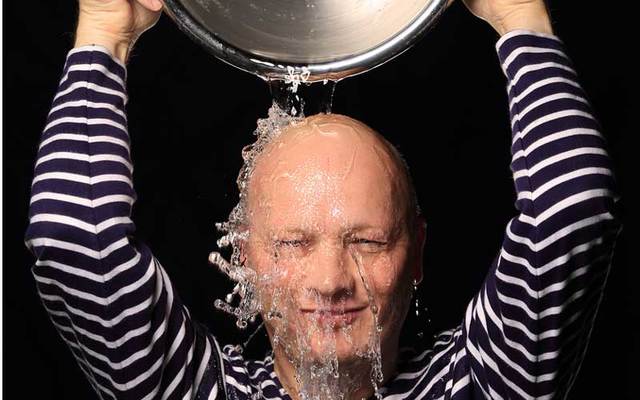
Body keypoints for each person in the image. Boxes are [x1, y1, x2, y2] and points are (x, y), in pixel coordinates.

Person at [23, 0, 622, 399]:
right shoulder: (203, 392)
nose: (331, 279)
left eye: (366, 241)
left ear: (416, 255)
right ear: (245, 259)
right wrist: (106, 33)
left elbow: (573, 211)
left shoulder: (480, 384)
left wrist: (519, 16)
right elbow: (75, 240)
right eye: (292, 243)